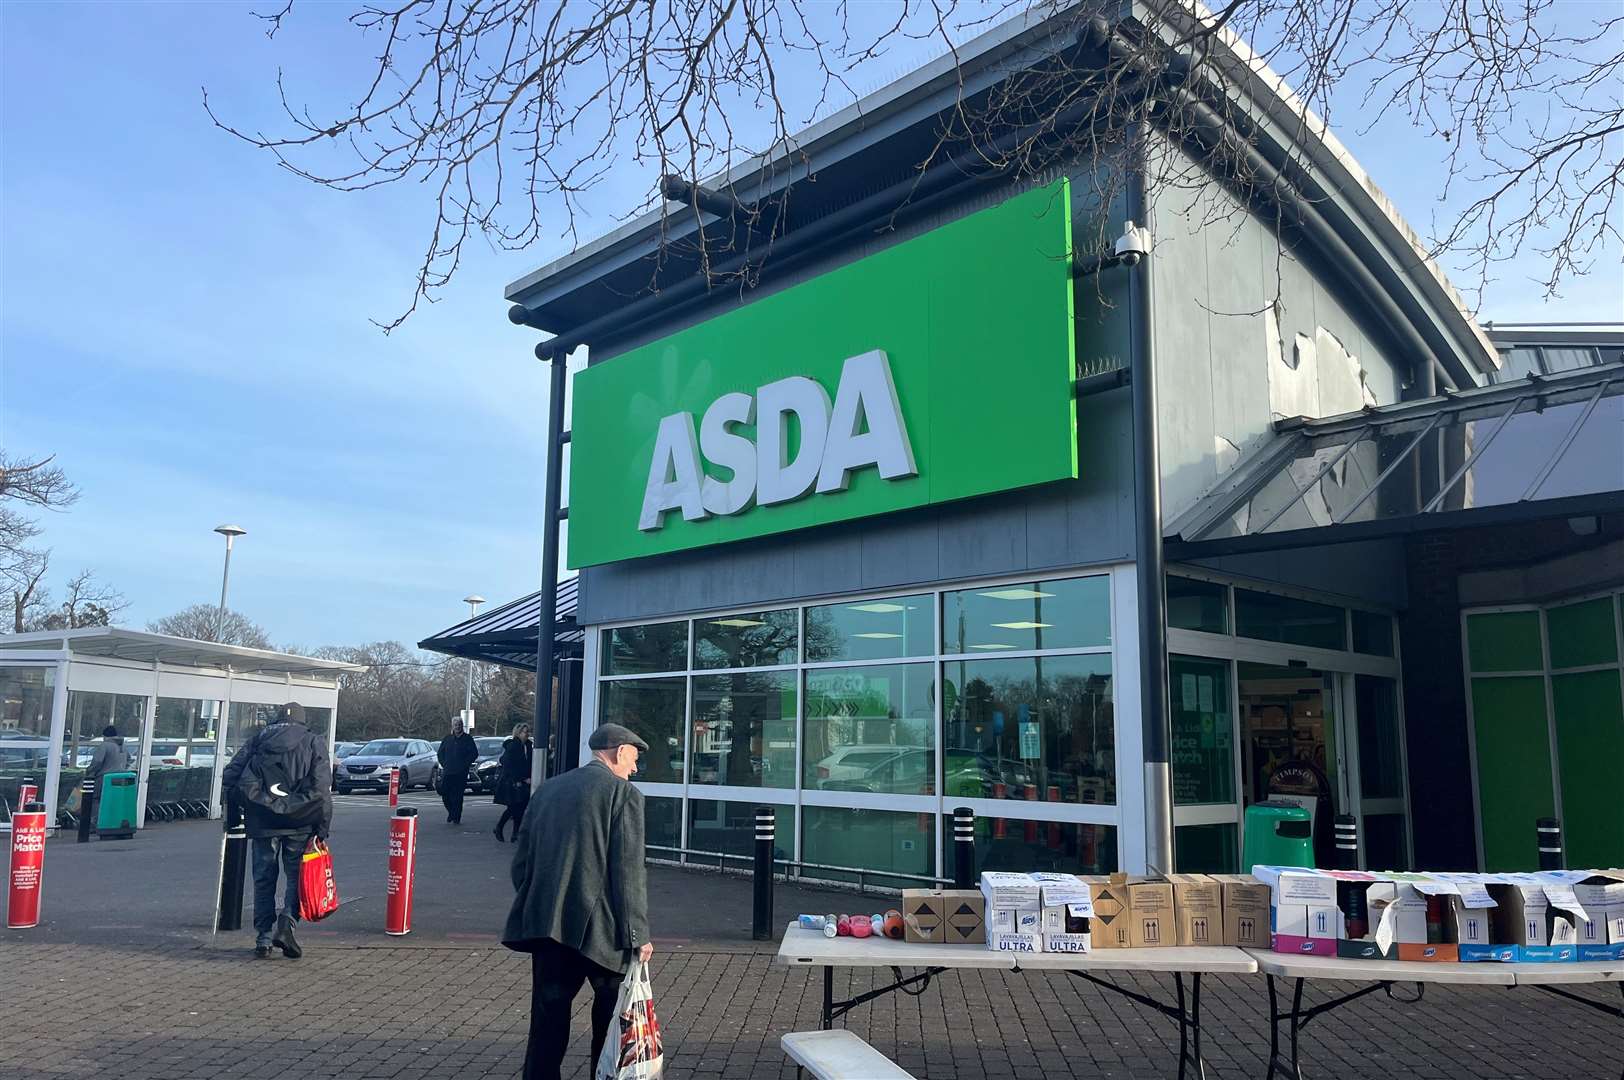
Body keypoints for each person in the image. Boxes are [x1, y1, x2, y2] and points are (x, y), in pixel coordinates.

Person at [504, 724, 651, 1080]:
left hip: (547, 925)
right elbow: (627, 872)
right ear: (617, 752)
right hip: (603, 933)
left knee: (547, 1021)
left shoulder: (548, 791)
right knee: (610, 1022)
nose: (634, 768)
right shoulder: (622, 794)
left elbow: (521, 863)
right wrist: (638, 934)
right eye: (633, 759)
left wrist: (540, 900)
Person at [220, 702, 332, 959]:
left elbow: (232, 774)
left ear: (277, 719)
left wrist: (233, 812)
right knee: (296, 878)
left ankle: (263, 937)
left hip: (262, 822)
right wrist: (322, 826)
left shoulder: (259, 740)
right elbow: (322, 787)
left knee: (263, 878)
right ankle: (287, 922)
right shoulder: (313, 742)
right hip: (300, 822)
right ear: (303, 721)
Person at [493, 723, 534, 843]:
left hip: (523, 781)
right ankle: (500, 827)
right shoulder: (513, 746)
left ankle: (515, 833)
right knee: (513, 807)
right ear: (518, 733)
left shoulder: (528, 746)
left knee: (519, 808)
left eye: (528, 732)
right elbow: (509, 765)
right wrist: (521, 779)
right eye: (524, 732)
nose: (527, 734)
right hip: (512, 782)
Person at [436, 717, 478, 824]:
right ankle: (452, 812)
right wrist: (444, 764)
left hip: (461, 773)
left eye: (459, 724)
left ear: (462, 725)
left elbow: (474, 754)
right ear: (452, 726)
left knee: (457, 796)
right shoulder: (448, 739)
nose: (457, 727)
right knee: (445, 794)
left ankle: (456, 817)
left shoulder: (467, 739)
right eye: (455, 725)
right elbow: (440, 753)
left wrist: (465, 764)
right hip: (448, 771)